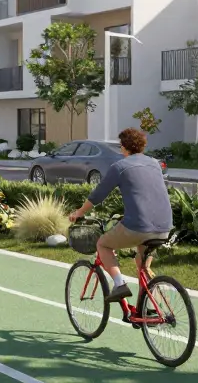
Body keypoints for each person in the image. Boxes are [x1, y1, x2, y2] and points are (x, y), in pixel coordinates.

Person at [67, 127, 173, 302]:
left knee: (103, 245)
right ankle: (150, 308)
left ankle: (119, 284)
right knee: (142, 263)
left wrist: (79, 213)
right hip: (164, 226)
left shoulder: (120, 167)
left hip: (139, 226)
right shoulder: (154, 164)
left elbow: (98, 196)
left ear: (123, 147)